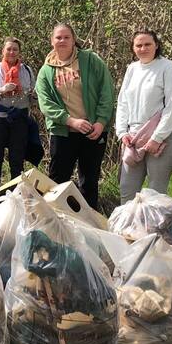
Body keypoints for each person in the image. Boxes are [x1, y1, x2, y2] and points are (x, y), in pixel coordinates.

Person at [34, 22, 115, 210]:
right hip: (63, 132)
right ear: (51, 41)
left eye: (66, 37)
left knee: (89, 181)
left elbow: (107, 91)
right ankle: (56, 224)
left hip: (93, 131)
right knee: (57, 181)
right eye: (58, 37)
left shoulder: (90, 60)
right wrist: (70, 121)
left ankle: (89, 226)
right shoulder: (46, 71)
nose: (62, 41)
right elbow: (45, 104)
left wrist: (101, 122)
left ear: (74, 40)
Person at [115, 28, 172, 203]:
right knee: (127, 191)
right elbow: (123, 102)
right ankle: (127, 230)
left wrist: (157, 137)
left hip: (161, 139)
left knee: (155, 194)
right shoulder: (132, 69)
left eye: (147, 44)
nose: (143, 48)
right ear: (133, 48)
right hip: (133, 138)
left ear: (157, 45)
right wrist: (122, 132)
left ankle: (153, 230)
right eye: (138, 45)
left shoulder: (168, 68)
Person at [0, 37, 43, 191]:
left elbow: (34, 100)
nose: (12, 52)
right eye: (9, 49)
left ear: (19, 53)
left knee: (17, 160)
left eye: (15, 49)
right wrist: (2, 90)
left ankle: (15, 194)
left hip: (19, 120)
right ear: (2, 51)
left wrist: (33, 97)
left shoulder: (27, 71)